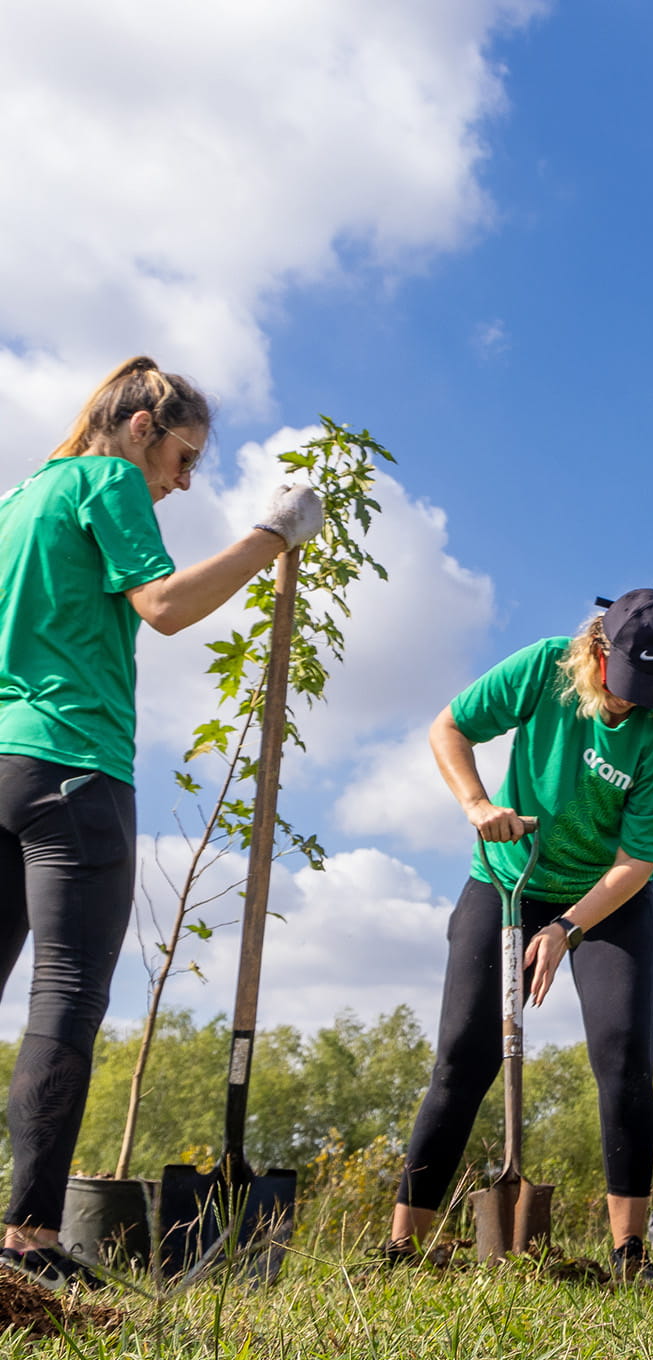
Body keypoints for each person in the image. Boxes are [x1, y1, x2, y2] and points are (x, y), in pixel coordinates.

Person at [0, 359, 321, 1289]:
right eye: (183, 459)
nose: (183, 483)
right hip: (75, 769)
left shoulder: (21, 497)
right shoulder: (105, 479)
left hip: (5, 761)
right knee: (64, 996)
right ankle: (29, 1241)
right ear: (142, 426)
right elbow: (166, 606)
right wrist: (270, 534)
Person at [382, 590, 653, 1284]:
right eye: (619, 687)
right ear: (596, 652)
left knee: (622, 1062)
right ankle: (402, 1249)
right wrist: (477, 804)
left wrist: (565, 928)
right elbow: (449, 727)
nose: (626, 705)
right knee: (464, 1059)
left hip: (608, 898)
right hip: (506, 879)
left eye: (648, 691)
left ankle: (628, 1254)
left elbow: (635, 864)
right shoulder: (544, 670)